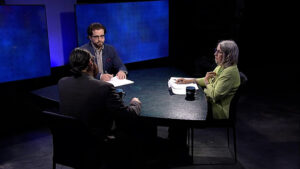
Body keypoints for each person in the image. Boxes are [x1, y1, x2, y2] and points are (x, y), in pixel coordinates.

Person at [58, 48, 142, 168]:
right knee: (134, 129)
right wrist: (135, 103)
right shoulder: (103, 87)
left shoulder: (62, 82)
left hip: (69, 142)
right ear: (91, 63)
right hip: (95, 142)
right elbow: (127, 115)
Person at [176, 40, 240, 119]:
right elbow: (209, 80)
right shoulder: (222, 66)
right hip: (210, 102)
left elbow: (214, 95)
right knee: (182, 105)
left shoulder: (230, 72)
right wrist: (190, 80)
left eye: (219, 52)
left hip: (217, 110)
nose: (215, 54)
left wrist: (206, 84)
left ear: (228, 55)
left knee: (183, 110)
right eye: (216, 50)